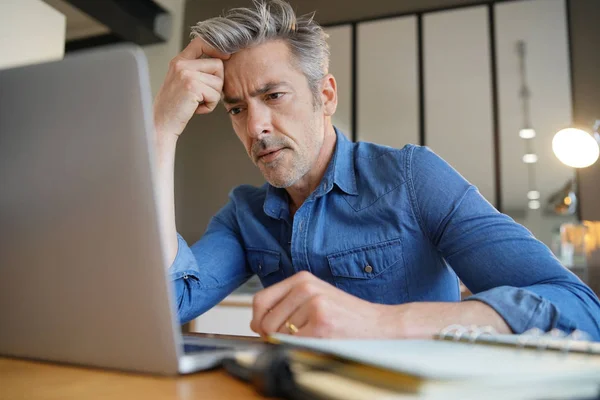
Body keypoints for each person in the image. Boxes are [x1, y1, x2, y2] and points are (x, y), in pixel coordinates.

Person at [152, 0, 600, 340]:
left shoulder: (412, 177)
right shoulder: (243, 215)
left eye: (273, 96)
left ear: (325, 97)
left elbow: (582, 308)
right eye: (236, 109)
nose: (255, 126)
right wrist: (162, 129)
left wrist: (382, 321)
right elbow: (166, 304)